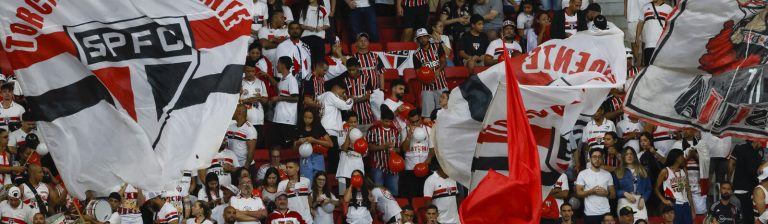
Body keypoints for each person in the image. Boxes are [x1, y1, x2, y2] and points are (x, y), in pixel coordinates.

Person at [412, 28, 448, 118]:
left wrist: (439, 70)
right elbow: (418, 73)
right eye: (420, 37)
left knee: (444, 112)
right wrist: (426, 81)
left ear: (428, 37)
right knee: (428, 116)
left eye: (424, 36)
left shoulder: (437, 46)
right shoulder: (416, 54)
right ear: (418, 40)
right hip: (426, 87)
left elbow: (444, 61)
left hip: (441, 84)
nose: (423, 39)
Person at [367, 107, 402, 196]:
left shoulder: (395, 131)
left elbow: (399, 148)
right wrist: (384, 146)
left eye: (390, 121)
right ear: (381, 119)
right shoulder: (373, 130)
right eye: (386, 121)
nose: (388, 123)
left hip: (393, 168)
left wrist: (394, 149)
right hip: (377, 165)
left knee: (393, 193)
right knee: (378, 193)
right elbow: (369, 147)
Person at [399, 109, 434, 199]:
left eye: (416, 121)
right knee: (411, 196)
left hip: (425, 167)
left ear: (421, 119)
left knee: (425, 194)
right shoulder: (405, 131)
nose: (414, 124)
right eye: (412, 122)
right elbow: (403, 149)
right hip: (410, 168)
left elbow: (432, 148)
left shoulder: (428, 130)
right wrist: (409, 136)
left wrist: (428, 161)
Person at [575, 148, 616, 223]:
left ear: (602, 158)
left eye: (599, 157)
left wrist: (606, 193)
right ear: (590, 158)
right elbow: (578, 194)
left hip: (606, 213)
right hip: (590, 213)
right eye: (594, 157)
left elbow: (613, 195)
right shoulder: (582, 174)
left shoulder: (608, 174)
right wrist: (592, 191)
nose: (597, 159)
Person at [656, 149, 695, 224]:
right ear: (677, 158)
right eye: (682, 156)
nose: (684, 158)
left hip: (686, 204)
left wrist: (692, 209)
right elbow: (656, 188)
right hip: (674, 204)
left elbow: (688, 190)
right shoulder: (665, 171)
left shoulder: (684, 170)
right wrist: (664, 200)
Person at [294, 110, 334, 182]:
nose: (307, 120)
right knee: (306, 181)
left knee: (320, 180)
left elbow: (330, 144)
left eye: (310, 118)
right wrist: (298, 143)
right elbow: (294, 149)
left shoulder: (318, 128)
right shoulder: (298, 128)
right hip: (305, 157)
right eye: (305, 117)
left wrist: (315, 140)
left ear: (314, 118)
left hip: (317, 156)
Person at [270, 56, 301, 150]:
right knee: (275, 145)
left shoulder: (291, 80)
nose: (276, 65)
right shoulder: (283, 80)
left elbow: (296, 98)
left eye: (278, 63)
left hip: (287, 119)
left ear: (283, 65)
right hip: (278, 118)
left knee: (287, 148)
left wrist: (279, 98)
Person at [730, 140, 761, 224]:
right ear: (756, 140)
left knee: (748, 217)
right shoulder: (741, 148)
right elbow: (731, 163)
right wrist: (728, 181)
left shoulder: (758, 152)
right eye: (761, 141)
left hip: (748, 189)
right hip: (744, 190)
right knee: (747, 218)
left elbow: (731, 164)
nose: (761, 143)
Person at [614, 147, 650, 221]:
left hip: (640, 202)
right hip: (624, 202)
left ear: (634, 156)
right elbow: (614, 190)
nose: (629, 156)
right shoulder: (618, 171)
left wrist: (643, 199)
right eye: (626, 154)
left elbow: (648, 189)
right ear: (623, 156)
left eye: (631, 154)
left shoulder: (643, 170)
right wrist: (624, 193)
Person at [576, 103, 616, 170]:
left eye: (597, 111)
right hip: (592, 159)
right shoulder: (588, 125)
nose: (595, 113)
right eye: (593, 111)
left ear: (602, 111)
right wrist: (588, 159)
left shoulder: (610, 124)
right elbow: (585, 145)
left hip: (607, 159)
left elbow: (614, 142)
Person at [340, 58, 376, 130]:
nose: (351, 72)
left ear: (358, 67)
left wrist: (354, 100)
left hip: (366, 116)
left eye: (353, 70)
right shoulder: (344, 81)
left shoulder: (366, 78)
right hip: (352, 119)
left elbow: (368, 96)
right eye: (349, 70)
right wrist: (347, 97)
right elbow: (343, 96)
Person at [241, 61, 270, 147]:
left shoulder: (260, 83)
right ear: (244, 71)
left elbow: (265, 101)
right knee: (244, 146)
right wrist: (246, 100)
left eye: (252, 71)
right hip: (243, 120)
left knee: (257, 145)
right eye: (248, 71)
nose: (250, 73)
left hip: (258, 120)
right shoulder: (239, 82)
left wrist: (260, 98)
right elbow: (234, 101)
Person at [336, 113, 366, 195]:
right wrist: (349, 135)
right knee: (342, 194)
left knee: (358, 194)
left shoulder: (360, 134)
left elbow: (364, 153)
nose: (353, 124)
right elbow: (344, 148)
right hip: (344, 171)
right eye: (351, 122)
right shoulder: (341, 132)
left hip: (358, 169)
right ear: (347, 122)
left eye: (355, 122)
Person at [634, 0, 672, 66]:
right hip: (649, 45)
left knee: (661, 69)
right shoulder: (645, 7)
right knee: (649, 69)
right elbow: (640, 23)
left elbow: (671, 26)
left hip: (662, 45)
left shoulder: (669, 9)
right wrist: (637, 37)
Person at [226, 105, 257, 174]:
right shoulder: (231, 127)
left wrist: (245, 169)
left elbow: (251, 152)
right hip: (233, 165)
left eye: (233, 111)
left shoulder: (250, 129)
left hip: (245, 166)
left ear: (239, 112)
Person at [299, 0, 330, 65]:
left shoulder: (322, 8)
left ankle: (318, 75)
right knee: (308, 62)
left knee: (319, 61)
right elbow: (301, 24)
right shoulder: (304, 8)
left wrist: (321, 28)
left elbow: (327, 24)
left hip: (319, 38)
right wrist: (308, 27)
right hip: (306, 38)